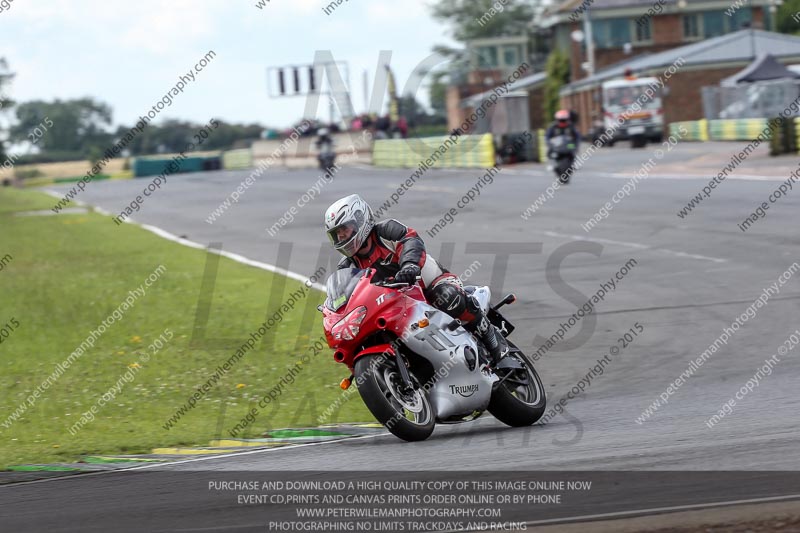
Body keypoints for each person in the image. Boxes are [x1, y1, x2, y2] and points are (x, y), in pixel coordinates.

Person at [324, 194, 508, 364]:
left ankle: (492, 340)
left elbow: (410, 240)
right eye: (336, 234)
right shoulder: (347, 266)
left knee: (445, 296)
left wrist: (409, 265)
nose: (341, 237)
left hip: (430, 283)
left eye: (344, 230)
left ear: (360, 219)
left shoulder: (385, 231)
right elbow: (344, 293)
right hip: (398, 304)